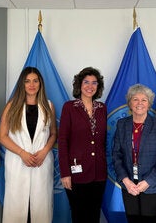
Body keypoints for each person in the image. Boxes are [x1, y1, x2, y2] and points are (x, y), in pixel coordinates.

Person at [0, 67, 57, 223]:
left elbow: (53, 134)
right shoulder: (12, 106)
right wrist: (22, 153)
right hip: (18, 163)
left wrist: (45, 150)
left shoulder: (48, 106)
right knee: (17, 210)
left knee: (40, 210)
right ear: (22, 84)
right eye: (27, 81)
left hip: (42, 163)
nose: (32, 85)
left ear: (40, 84)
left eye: (35, 81)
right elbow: (2, 136)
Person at [113, 84, 156, 223]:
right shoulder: (122, 124)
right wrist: (125, 180)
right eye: (135, 99)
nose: (139, 103)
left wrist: (148, 182)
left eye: (144, 100)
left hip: (154, 186)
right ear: (129, 103)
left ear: (149, 103)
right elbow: (116, 155)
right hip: (129, 186)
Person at [58, 67, 107, 223]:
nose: (90, 86)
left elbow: (103, 141)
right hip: (76, 172)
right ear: (79, 85)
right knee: (79, 215)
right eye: (86, 82)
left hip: (99, 172)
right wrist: (65, 172)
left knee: (94, 215)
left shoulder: (102, 109)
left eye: (94, 83)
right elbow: (63, 140)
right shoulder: (69, 107)